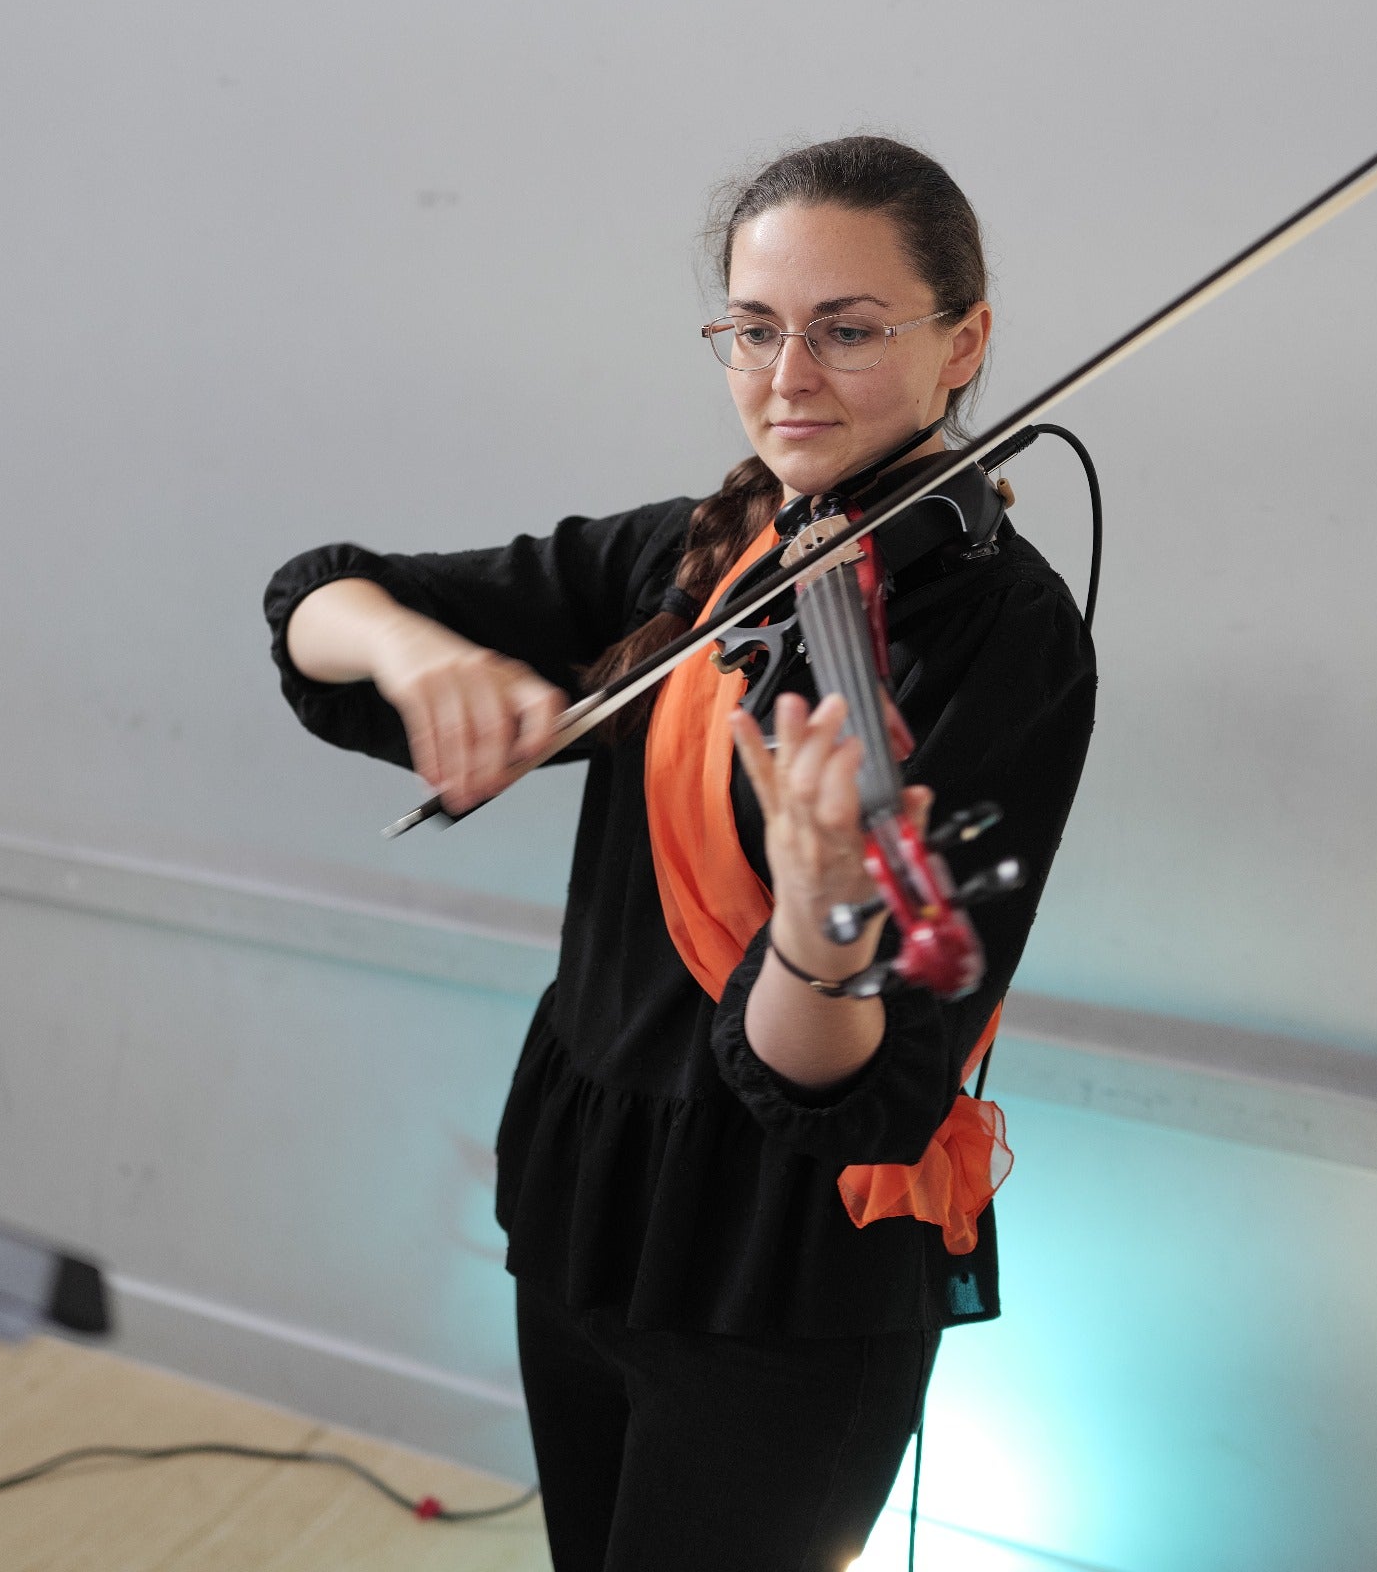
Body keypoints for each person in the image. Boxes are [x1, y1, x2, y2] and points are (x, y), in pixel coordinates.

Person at [264, 136, 1095, 1572]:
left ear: (964, 343)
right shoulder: (695, 557)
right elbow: (316, 602)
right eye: (755, 330)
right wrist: (419, 660)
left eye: (848, 331)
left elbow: (845, 1089)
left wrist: (823, 923)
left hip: (789, 1264)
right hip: (591, 1196)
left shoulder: (1002, 639)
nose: (789, 378)